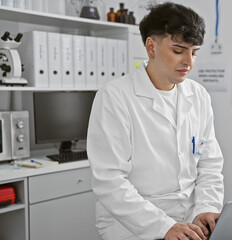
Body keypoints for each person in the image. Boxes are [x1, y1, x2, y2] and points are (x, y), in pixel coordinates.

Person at [87, 2, 224, 240]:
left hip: (189, 219)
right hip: (134, 225)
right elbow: (109, 181)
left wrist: (206, 209)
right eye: (179, 50)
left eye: (194, 52)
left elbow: (209, 164)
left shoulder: (199, 95)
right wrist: (163, 227)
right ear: (151, 46)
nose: (189, 62)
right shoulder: (115, 96)